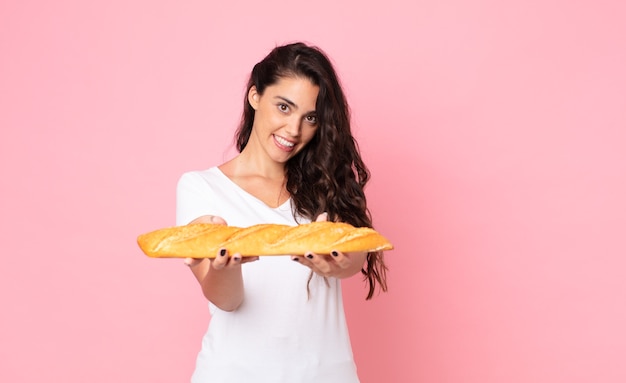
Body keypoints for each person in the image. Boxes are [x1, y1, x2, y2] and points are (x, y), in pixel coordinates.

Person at [176, 42, 388, 383]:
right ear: (255, 96)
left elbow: (353, 258)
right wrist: (224, 267)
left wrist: (338, 260)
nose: (294, 130)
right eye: (284, 107)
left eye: (310, 118)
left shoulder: (325, 182)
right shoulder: (201, 187)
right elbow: (227, 301)